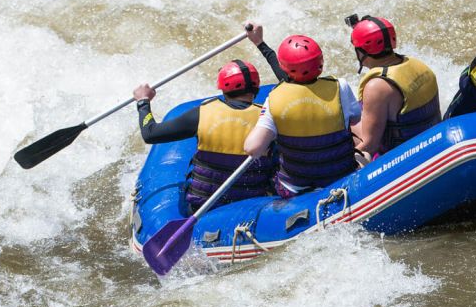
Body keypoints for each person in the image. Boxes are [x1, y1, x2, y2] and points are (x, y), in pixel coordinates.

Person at [133, 59, 276, 210]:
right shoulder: (270, 118)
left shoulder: (203, 114)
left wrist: (143, 102)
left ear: (223, 88)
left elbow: (150, 134)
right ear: (257, 88)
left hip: (204, 206)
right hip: (253, 205)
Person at [244, 34, 361, 198]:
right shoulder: (340, 86)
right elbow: (357, 120)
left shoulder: (274, 98)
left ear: (284, 67)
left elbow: (252, 148)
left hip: (296, 188)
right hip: (341, 176)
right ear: (320, 61)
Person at [346, 14, 441, 161]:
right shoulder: (418, 64)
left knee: (345, 124)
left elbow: (369, 146)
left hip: (402, 159)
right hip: (434, 143)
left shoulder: (377, 86)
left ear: (360, 52)